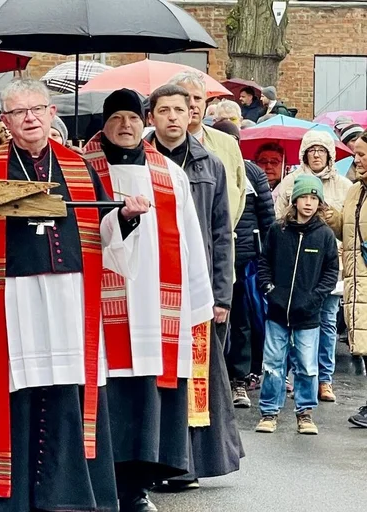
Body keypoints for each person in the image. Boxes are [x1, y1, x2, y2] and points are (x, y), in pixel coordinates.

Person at [0, 79, 118, 512]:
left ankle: (68, 496)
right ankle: (7, 499)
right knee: (11, 393)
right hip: (9, 298)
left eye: (37, 110)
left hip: (68, 297)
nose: (30, 119)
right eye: (19, 113)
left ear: (53, 113)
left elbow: (103, 231)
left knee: (65, 390)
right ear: (4, 122)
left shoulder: (78, 165)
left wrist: (126, 216)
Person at [83, 88, 214, 512]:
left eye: (133, 118)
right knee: (106, 399)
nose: (126, 126)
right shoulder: (84, 170)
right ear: (104, 124)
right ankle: (101, 487)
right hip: (100, 306)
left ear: (145, 123)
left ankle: (136, 488)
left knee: (147, 402)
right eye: (117, 118)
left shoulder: (170, 175)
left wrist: (200, 295)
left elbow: (191, 237)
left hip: (157, 305)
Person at [143, 84, 242, 488]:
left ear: (191, 115)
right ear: (151, 117)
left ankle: (190, 463)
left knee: (195, 376)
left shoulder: (210, 165)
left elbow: (221, 234)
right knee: (155, 376)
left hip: (196, 287)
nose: (171, 117)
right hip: (151, 285)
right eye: (162, 110)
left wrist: (222, 295)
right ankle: (152, 461)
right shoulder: (140, 161)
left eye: (178, 110)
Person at [255, 175, 339, 435]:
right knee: (272, 364)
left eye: (314, 198)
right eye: (304, 197)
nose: (309, 203)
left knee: (306, 365)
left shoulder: (324, 235)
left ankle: (305, 412)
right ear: (294, 200)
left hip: (308, 314)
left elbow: (330, 272)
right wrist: (269, 289)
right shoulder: (277, 230)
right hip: (277, 311)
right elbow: (264, 263)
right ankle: (269, 412)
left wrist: (315, 298)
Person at [274, 130, 351, 402]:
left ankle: (324, 379)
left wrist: (334, 218)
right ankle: (289, 377)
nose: (316, 154)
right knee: (288, 323)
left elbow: (351, 227)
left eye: (322, 150)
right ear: (304, 153)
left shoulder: (343, 185)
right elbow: (277, 218)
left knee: (328, 322)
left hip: (331, 262)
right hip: (294, 266)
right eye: (311, 149)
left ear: (330, 154)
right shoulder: (289, 182)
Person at [213, 120, 275, 405]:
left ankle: (239, 377)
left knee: (241, 318)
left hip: (245, 257)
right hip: (213, 253)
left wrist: (266, 256)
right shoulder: (208, 164)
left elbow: (266, 213)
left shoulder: (252, 172)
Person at [169, 72, 246, 233]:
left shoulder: (228, 144)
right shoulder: (155, 144)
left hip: (216, 242)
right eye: (185, 97)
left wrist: (223, 232)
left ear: (205, 102)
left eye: (197, 98)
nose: (192, 104)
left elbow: (239, 193)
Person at [342, 133, 367, 427]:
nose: (356, 160)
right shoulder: (354, 191)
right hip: (357, 277)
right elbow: (347, 226)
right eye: (355, 154)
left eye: (361, 154)